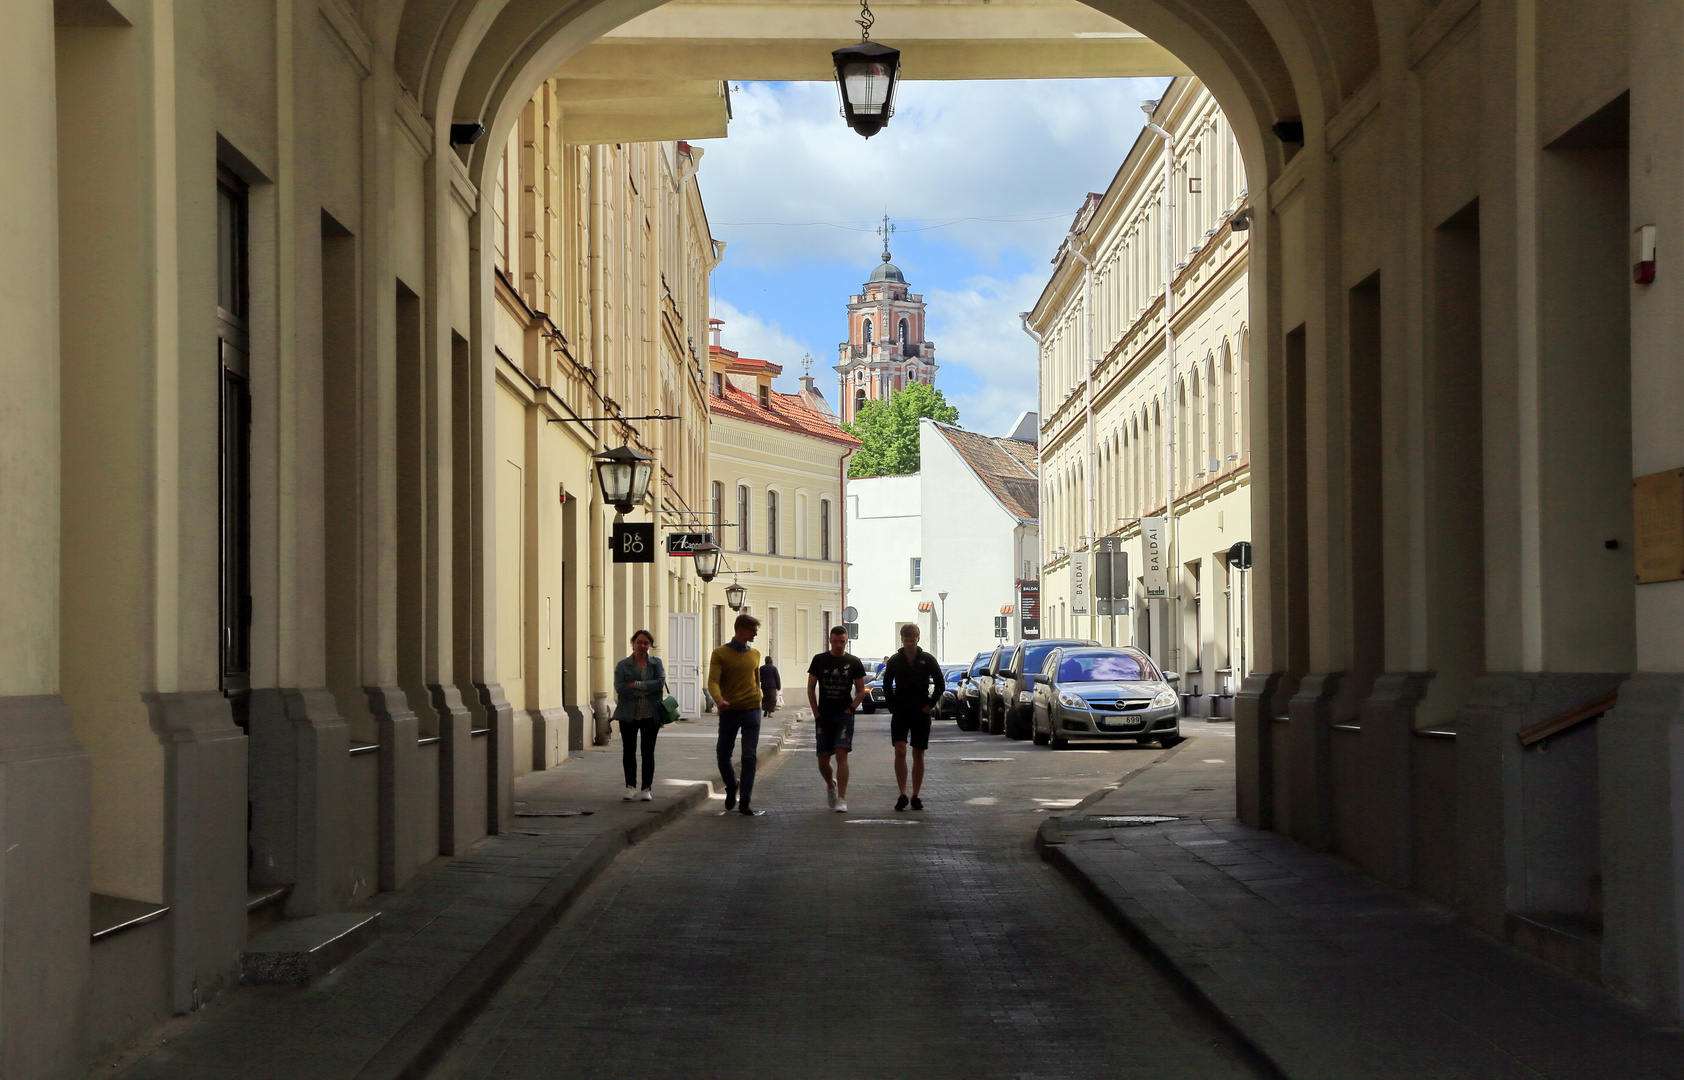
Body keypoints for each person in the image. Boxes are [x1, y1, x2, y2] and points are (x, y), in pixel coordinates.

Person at [881, 623, 944, 810]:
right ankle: (902, 793)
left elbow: (940, 684)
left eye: (912, 640)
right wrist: (892, 705)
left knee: (918, 752)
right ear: (901, 640)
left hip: (920, 711)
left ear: (918, 638)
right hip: (901, 711)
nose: (909, 643)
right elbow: (886, 685)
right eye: (906, 640)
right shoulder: (894, 660)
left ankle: (916, 794)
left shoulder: (927, 659)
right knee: (899, 750)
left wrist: (930, 705)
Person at [806, 625, 867, 813]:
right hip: (824, 714)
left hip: (844, 715)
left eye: (842, 641)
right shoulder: (820, 660)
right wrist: (815, 712)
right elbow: (810, 687)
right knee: (823, 760)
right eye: (835, 641)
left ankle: (841, 798)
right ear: (830, 641)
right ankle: (830, 785)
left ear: (846, 641)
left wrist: (852, 708)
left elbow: (861, 689)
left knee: (842, 754)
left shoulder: (854, 662)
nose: (839, 645)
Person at [707, 613, 763, 815]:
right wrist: (719, 699)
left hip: (752, 709)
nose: (756, 633)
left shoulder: (755, 654)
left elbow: (756, 680)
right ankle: (732, 785)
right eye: (753, 630)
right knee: (723, 755)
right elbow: (713, 680)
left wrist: (760, 698)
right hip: (729, 710)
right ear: (741, 630)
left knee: (749, 756)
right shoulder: (720, 654)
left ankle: (745, 801)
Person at [611, 630, 667, 802]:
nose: (642, 646)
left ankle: (646, 789)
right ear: (633, 643)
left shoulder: (656, 663)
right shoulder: (623, 664)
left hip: (650, 714)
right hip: (629, 714)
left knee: (648, 752)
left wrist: (636, 684)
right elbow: (620, 687)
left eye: (646, 643)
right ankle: (630, 786)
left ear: (650, 645)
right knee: (629, 751)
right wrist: (644, 691)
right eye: (639, 642)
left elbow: (660, 683)